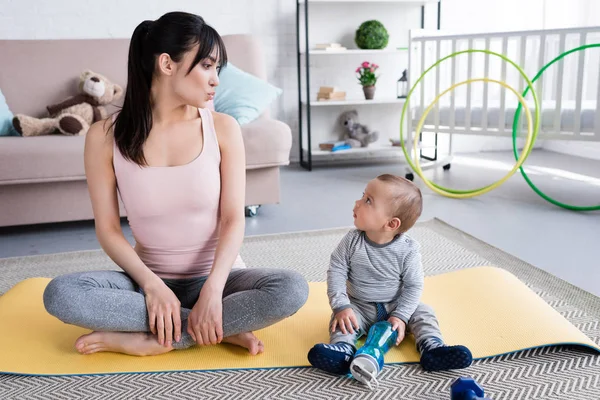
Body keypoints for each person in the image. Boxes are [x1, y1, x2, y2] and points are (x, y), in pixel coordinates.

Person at [43, 11, 309, 357]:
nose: (215, 80)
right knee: (61, 294)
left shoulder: (224, 128)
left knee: (292, 289)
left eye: (218, 69)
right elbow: (108, 229)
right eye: (206, 66)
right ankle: (214, 329)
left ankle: (156, 336)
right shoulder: (104, 136)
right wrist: (152, 286)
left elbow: (232, 219)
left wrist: (213, 292)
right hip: (146, 282)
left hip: (218, 280)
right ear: (167, 64)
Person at [308, 174, 472, 373]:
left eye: (368, 201)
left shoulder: (408, 250)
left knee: (424, 313)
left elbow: (413, 286)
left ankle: (432, 348)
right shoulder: (351, 241)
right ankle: (343, 351)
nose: (357, 202)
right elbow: (336, 271)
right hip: (359, 306)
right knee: (340, 322)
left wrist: (401, 316)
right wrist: (341, 305)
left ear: (391, 224)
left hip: (396, 304)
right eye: (363, 196)